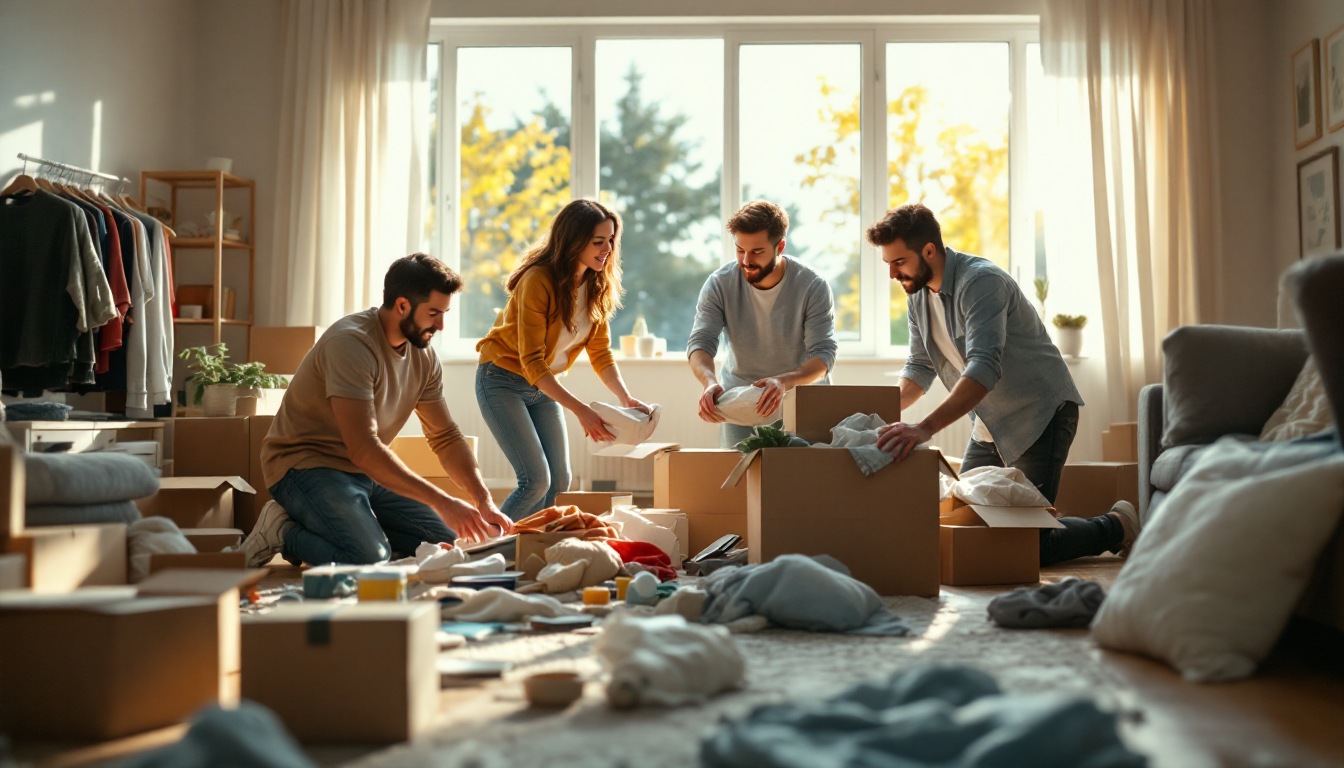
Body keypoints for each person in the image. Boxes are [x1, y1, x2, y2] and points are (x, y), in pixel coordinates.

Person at [869, 203, 1140, 566]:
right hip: (989, 425)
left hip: (1040, 416)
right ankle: (1057, 523)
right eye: (887, 263)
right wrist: (871, 414)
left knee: (1029, 547)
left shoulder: (980, 282)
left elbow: (983, 368)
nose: (891, 274)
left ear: (929, 251)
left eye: (898, 262)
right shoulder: (917, 295)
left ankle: (1117, 526)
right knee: (962, 526)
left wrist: (922, 428)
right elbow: (919, 367)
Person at [239, 254, 513, 568]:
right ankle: (283, 531)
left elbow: (446, 437)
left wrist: (483, 499)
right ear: (402, 306)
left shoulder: (423, 355)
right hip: (305, 467)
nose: (441, 325)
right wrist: (443, 501)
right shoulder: (351, 344)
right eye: (434, 313)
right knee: (367, 557)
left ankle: (361, 530)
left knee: (448, 546)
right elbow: (363, 447)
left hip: (365, 474)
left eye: (445, 313)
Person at [475, 199, 652, 521]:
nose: (607, 249)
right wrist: (582, 411)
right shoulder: (538, 280)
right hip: (502, 380)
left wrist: (624, 398)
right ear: (573, 241)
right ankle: (482, 549)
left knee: (560, 482)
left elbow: (600, 352)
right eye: (598, 241)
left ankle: (535, 550)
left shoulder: (597, 285)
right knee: (535, 481)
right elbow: (531, 361)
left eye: (611, 240)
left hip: (542, 386)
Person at [686, 200, 838, 448]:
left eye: (757, 252)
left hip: (802, 403)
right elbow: (701, 343)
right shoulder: (719, 284)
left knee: (807, 483)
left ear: (780, 246)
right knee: (742, 483)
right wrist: (709, 382)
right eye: (739, 250)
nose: (746, 260)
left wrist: (783, 381)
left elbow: (823, 357)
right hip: (740, 405)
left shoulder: (812, 286)